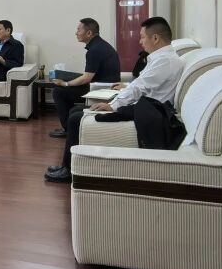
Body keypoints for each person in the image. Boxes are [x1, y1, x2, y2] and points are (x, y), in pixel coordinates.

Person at [45, 16, 184, 183]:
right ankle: (67, 166)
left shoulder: (165, 61)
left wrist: (113, 105)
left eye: (142, 37)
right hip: (142, 104)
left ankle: (68, 170)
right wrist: (126, 87)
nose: (140, 41)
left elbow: (140, 88)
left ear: (155, 38)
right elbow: (143, 84)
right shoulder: (161, 58)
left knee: (75, 118)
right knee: (75, 111)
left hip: (147, 111)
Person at [49, 18, 121, 138]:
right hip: (102, 85)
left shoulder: (94, 50)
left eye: (79, 30)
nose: (76, 33)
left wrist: (66, 84)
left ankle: (68, 129)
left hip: (101, 89)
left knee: (59, 92)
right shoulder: (100, 45)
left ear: (89, 33)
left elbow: (86, 78)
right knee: (66, 85)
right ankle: (71, 125)